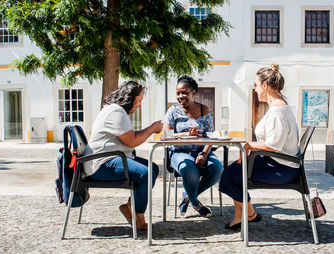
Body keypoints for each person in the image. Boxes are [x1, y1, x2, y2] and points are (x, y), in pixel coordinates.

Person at [219, 64, 300, 230]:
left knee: (229, 175)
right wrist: (249, 147)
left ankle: (248, 214)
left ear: (265, 86)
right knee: (234, 170)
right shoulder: (277, 108)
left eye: (256, 85)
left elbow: (273, 145)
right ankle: (245, 214)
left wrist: (249, 145)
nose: (255, 89)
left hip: (282, 169)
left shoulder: (278, 112)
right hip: (278, 163)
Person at [83, 81, 163, 231]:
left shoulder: (117, 111)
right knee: (146, 174)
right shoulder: (116, 112)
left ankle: (131, 207)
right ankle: (138, 216)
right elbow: (132, 141)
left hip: (111, 157)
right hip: (101, 163)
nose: (139, 105)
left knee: (153, 168)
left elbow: (130, 137)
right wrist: (152, 128)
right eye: (139, 100)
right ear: (129, 98)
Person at [163, 75, 223, 217]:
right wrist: (186, 135)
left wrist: (204, 153)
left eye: (184, 92)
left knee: (217, 169)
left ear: (194, 92)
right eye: (178, 93)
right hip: (179, 152)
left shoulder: (204, 110)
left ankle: (187, 197)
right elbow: (165, 135)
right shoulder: (173, 111)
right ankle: (196, 203)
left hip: (200, 150)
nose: (180, 96)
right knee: (189, 169)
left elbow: (211, 136)